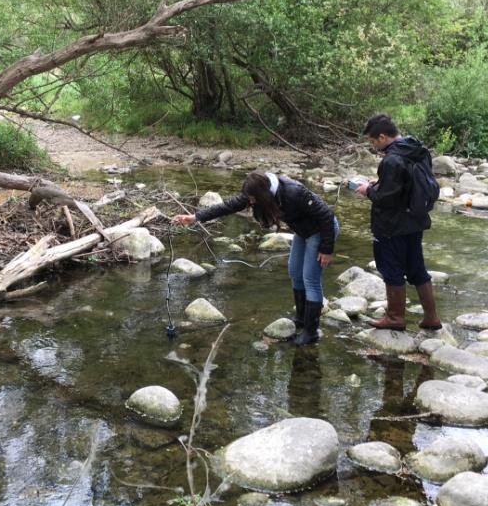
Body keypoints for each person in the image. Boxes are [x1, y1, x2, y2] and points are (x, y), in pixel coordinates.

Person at [172, 171, 338, 345]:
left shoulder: (293, 192)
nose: (250, 202)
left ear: (263, 195)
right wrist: (195, 217)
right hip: (303, 231)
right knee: (295, 272)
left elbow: (326, 215)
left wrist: (326, 249)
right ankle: (301, 319)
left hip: (321, 231)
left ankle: (311, 333)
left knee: (310, 278)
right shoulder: (258, 193)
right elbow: (228, 206)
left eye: (252, 198)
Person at [353, 114, 442, 331]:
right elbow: (408, 184)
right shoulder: (417, 149)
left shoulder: (391, 159)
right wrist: (381, 183)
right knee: (416, 268)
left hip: (392, 225)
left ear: (382, 137)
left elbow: (386, 198)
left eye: (373, 142)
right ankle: (431, 318)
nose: (374, 146)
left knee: (391, 268)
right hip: (415, 220)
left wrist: (368, 190)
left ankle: (395, 318)